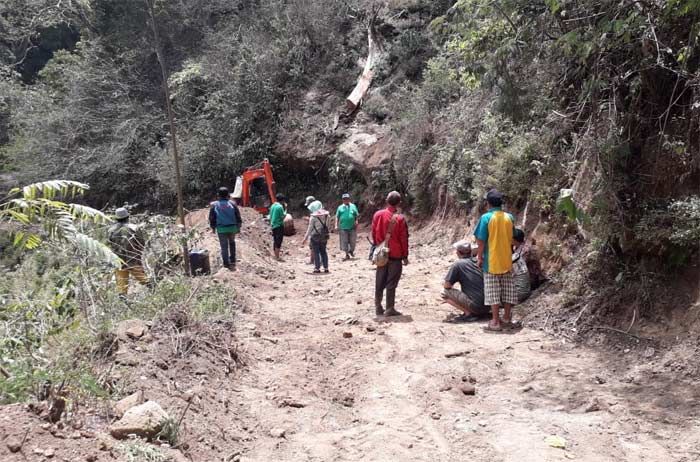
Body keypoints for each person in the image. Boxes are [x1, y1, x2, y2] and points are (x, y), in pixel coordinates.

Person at [474, 189, 517, 331]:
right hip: (507, 260)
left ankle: (495, 321)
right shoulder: (509, 217)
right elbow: (513, 238)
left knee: (493, 292)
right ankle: (506, 318)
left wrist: (479, 257)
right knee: (507, 290)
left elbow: (480, 240)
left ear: (488, 203)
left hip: (491, 261)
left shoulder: (486, 218)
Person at [371, 191, 409, 316]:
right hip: (396, 254)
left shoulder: (378, 214)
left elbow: (374, 233)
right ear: (399, 203)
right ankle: (389, 308)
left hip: (381, 253)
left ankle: (378, 307)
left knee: (379, 280)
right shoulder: (400, 218)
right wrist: (405, 256)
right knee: (392, 282)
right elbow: (403, 239)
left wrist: (378, 246)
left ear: (387, 201)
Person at [441, 241, 490, 322]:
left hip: (476, 306)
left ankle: (468, 314)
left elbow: (447, 285)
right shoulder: (479, 261)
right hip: (488, 306)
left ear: (458, 253)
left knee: (444, 292)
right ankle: (477, 312)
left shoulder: (458, 264)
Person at [108, 207, 149, 296]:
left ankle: (124, 304)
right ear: (127, 217)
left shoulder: (111, 230)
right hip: (133, 260)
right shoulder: (134, 228)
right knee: (146, 281)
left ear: (116, 218)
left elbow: (109, 245)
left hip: (118, 262)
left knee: (122, 288)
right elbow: (142, 243)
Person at [209, 187, 242, 270]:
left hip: (221, 229)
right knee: (232, 243)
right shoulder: (233, 204)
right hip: (232, 228)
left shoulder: (214, 205)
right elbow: (238, 216)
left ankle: (226, 264)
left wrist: (213, 228)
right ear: (228, 195)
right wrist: (238, 227)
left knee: (224, 246)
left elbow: (212, 218)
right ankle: (233, 260)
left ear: (218, 195)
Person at [302, 201, 330, 273]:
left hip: (315, 236)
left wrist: (305, 238)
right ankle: (326, 268)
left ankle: (317, 268)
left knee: (316, 252)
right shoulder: (327, 215)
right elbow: (328, 226)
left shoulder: (313, 217)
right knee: (324, 251)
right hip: (324, 236)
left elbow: (310, 229)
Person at [335, 193, 359, 260]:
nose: (346, 200)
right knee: (344, 241)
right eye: (344, 199)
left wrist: (357, 221)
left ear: (349, 199)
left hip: (352, 227)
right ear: (342, 200)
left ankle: (351, 250)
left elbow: (356, 215)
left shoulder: (353, 206)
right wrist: (336, 225)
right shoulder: (340, 207)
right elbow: (337, 217)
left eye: (347, 199)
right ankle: (346, 254)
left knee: (353, 241)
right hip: (343, 227)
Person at [511, 229, 531, 302]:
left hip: (529, 277)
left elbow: (519, 266)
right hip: (525, 281)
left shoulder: (523, 251)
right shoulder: (517, 247)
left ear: (514, 240)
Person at [269, 194, 287, 261]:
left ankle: (275, 255)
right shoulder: (280, 207)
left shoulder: (273, 205)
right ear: (282, 200)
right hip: (279, 225)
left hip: (273, 225)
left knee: (275, 240)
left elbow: (270, 215)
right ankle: (277, 257)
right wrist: (286, 209)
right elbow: (282, 217)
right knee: (278, 241)